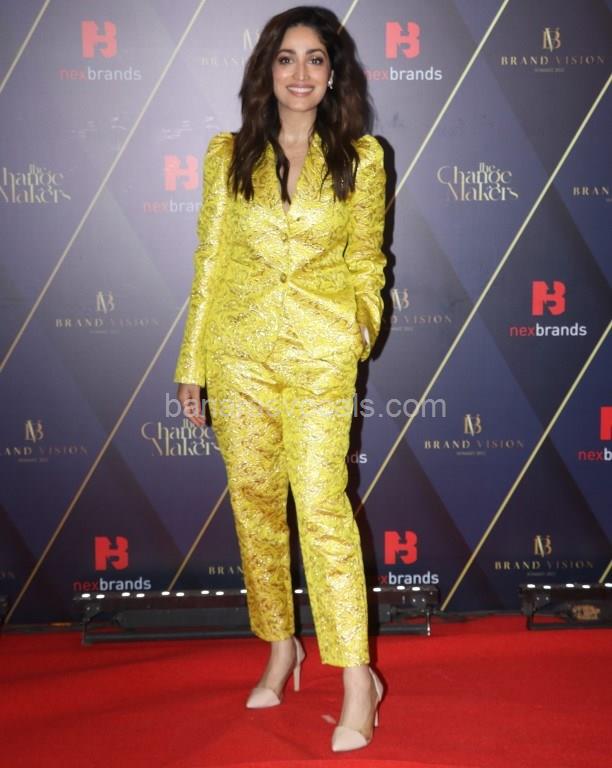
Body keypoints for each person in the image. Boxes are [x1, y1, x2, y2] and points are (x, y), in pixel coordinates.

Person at [175, 5, 386, 753]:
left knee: (322, 504)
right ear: (267, 70)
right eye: (287, 58)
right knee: (256, 504)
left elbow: (368, 261)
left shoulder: (362, 157)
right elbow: (209, 262)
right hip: (239, 355)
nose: (301, 73)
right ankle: (280, 645)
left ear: (334, 75)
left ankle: (357, 676)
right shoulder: (228, 154)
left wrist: (358, 328)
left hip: (322, 356)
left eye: (315, 59)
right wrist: (193, 362)